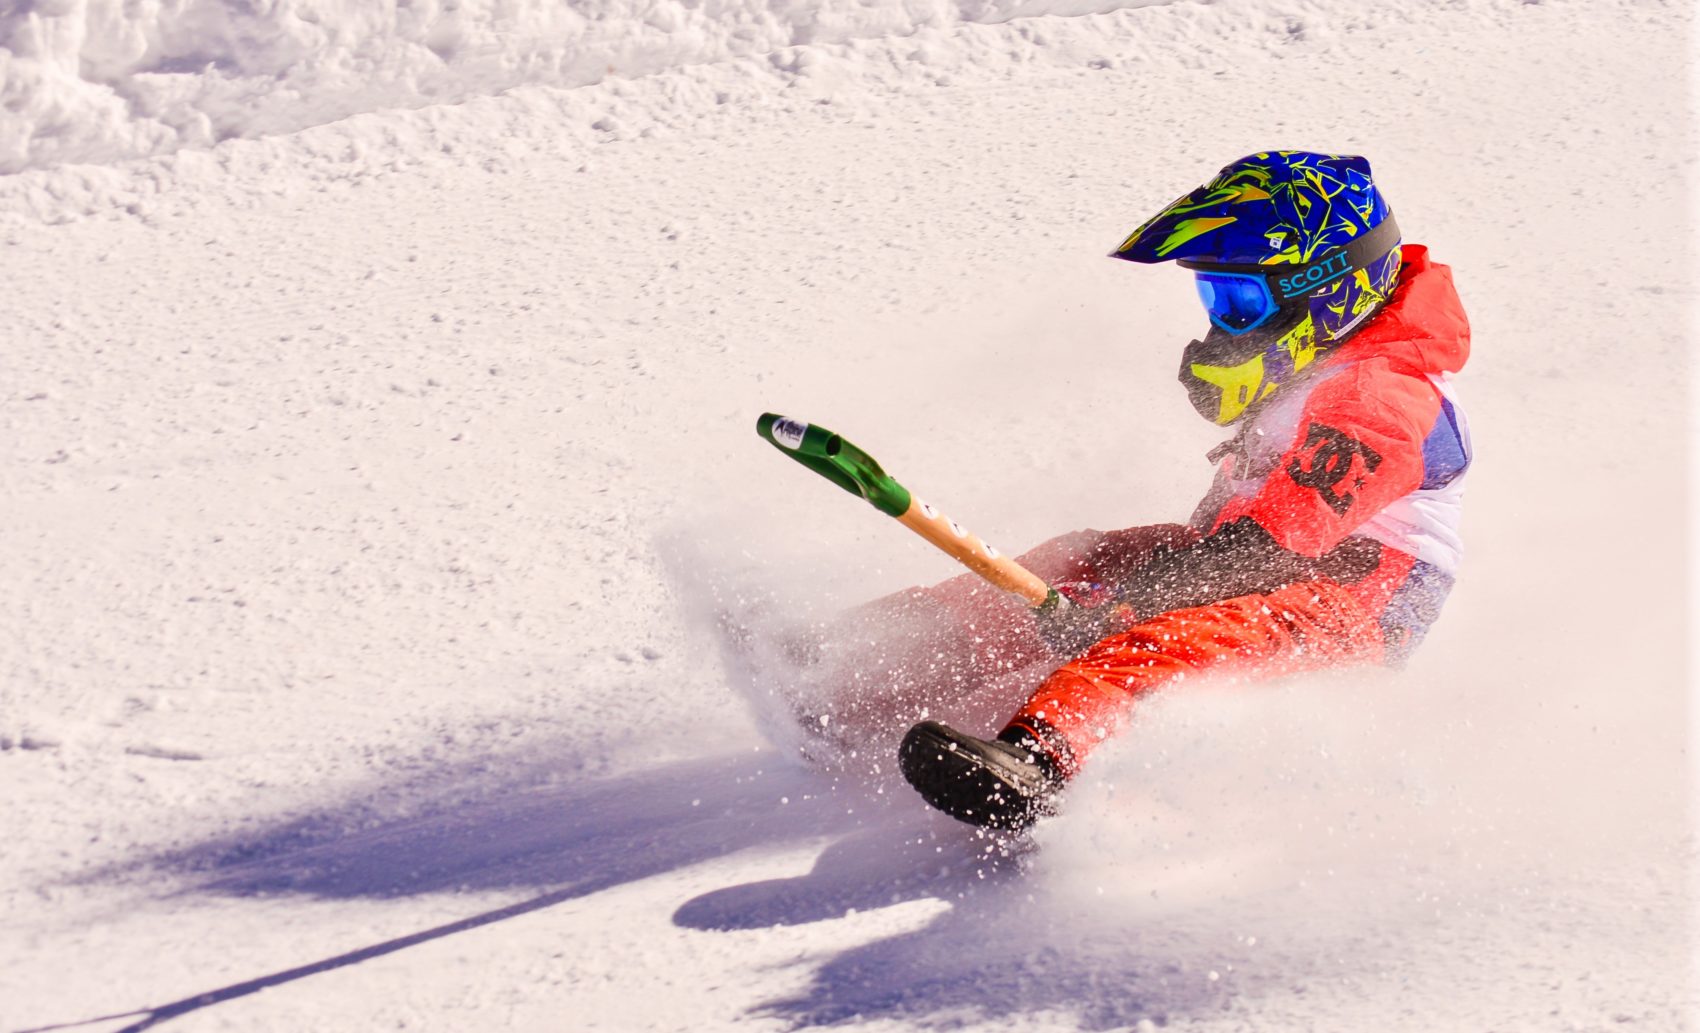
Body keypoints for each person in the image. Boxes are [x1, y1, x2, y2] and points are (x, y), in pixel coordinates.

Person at [897, 150, 1473, 830]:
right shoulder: (1326, 356)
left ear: (1325, 288)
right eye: (1214, 299)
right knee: (1078, 561)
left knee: (1166, 637)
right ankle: (869, 660)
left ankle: (1039, 765)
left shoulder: (1380, 399)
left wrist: (1131, 604)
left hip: (1347, 603)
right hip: (1247, 556)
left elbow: (1270, 548)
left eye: (1240, 303)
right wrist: (1117, 586)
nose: (1222, 324)